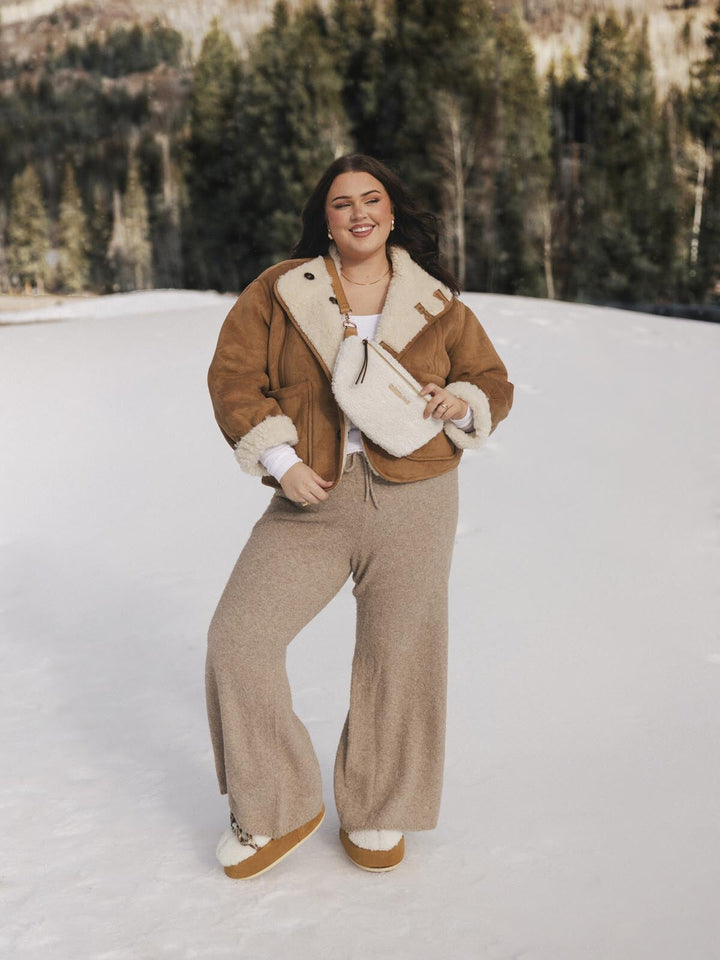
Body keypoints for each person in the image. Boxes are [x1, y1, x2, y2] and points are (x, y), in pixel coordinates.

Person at [205, 154, 513, 879]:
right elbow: (234, 378)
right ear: (327, 219)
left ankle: (379, 805)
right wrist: (282, 462)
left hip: (418, 494)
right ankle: (278, 803)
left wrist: (462, 399)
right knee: (237, 641)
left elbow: (492, 379)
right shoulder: (280, 291)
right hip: (309, 499)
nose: (359, 213)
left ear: (393, 212)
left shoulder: (439, 300)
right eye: (342, 204)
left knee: (398, 657)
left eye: (371, 199)